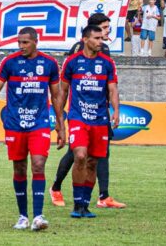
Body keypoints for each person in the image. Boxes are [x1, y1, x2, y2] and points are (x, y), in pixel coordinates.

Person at [0, 27, 63, 231]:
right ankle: (23, 216)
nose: (21, 46)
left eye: (25, 42)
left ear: (36, 41)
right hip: (14, 123)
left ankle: (38, 216)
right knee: (19, 168)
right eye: (19, 42)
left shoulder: (49, 63)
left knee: (38, 164)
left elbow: (56, 96)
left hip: (39, 123)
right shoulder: (10, 62)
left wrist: (61, 124)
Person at [57, 25, 120, 219]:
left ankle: (85, 204)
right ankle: (77, 203)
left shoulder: (108, 63)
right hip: (78, 117)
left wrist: (116, 110)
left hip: (100, 120)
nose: (101, 41)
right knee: (81, 156)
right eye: (97, 38)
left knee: (93, 162)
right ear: (85, 39)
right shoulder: (72, 62)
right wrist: (60, 121)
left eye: (102, 38)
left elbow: (112, 89)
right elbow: (63, 91)